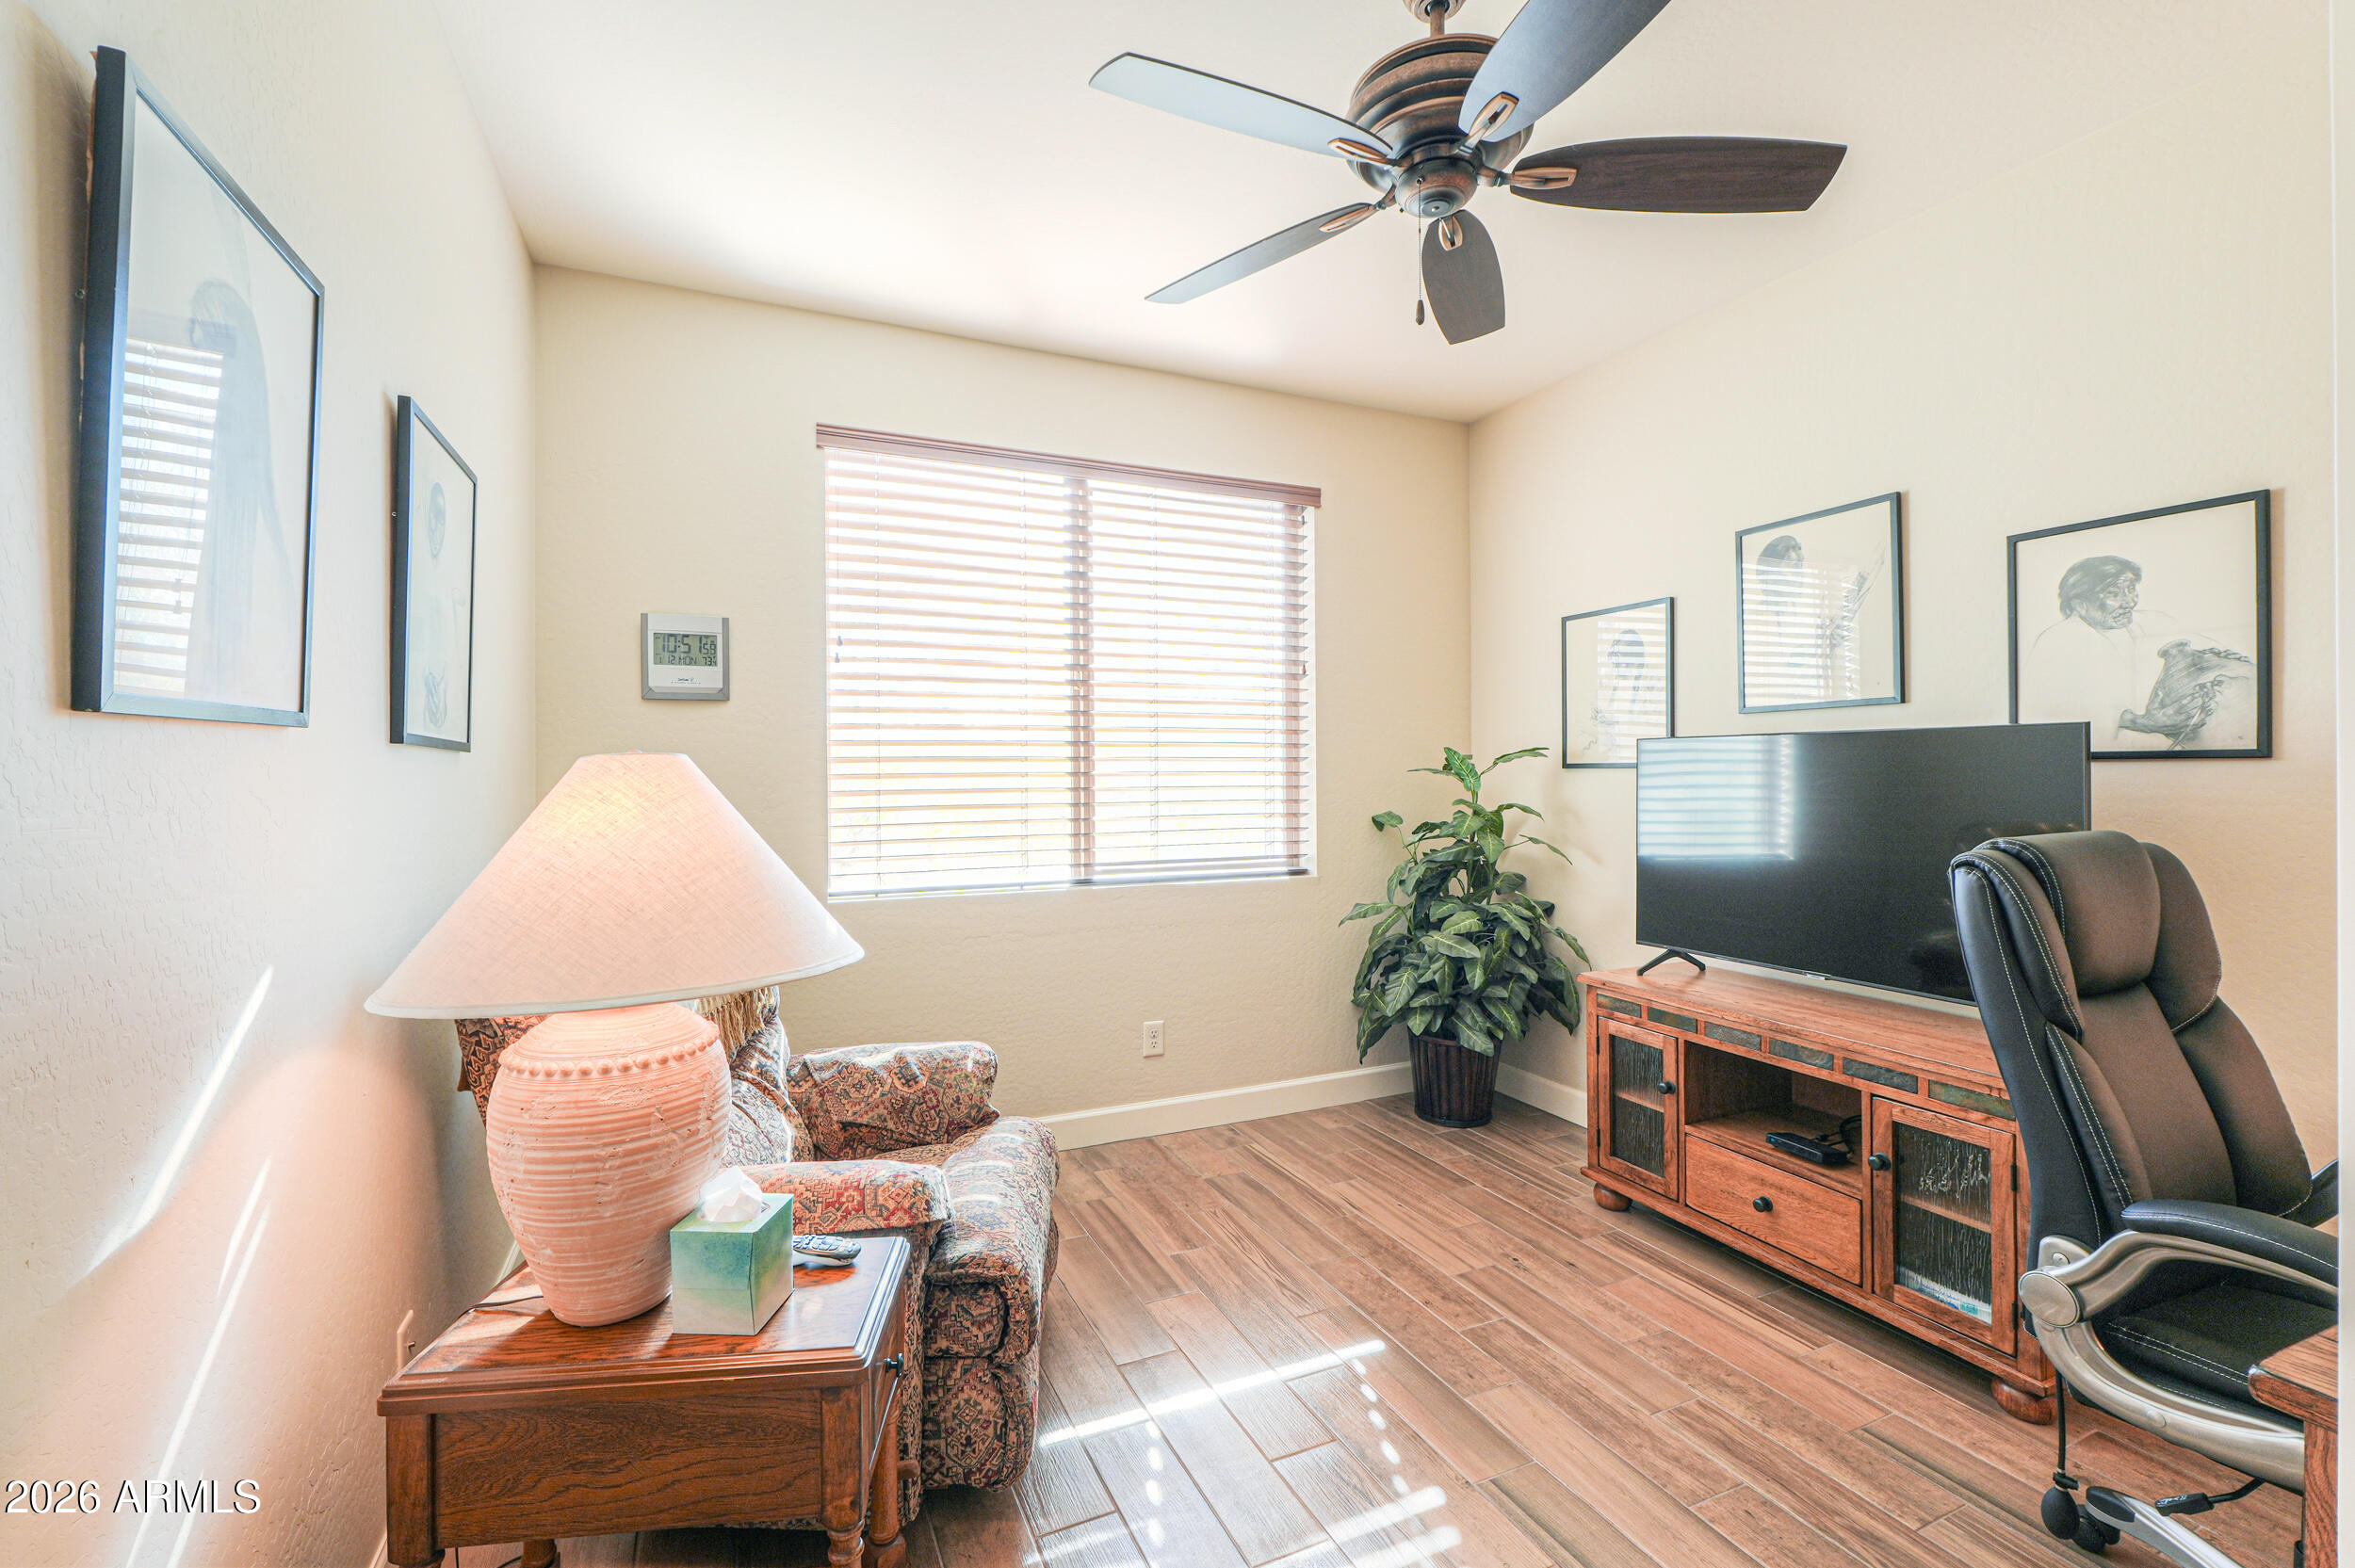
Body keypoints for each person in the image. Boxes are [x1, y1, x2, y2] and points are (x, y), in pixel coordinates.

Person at [2021, 556, 2215, 748]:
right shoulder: (2055, 641)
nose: (2130, 602)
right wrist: (2140, 722)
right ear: (2080, 605)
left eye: (2131, 589)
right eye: (2113, 593)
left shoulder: (2153, 621)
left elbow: (2215, 650)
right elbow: (2047, 713)